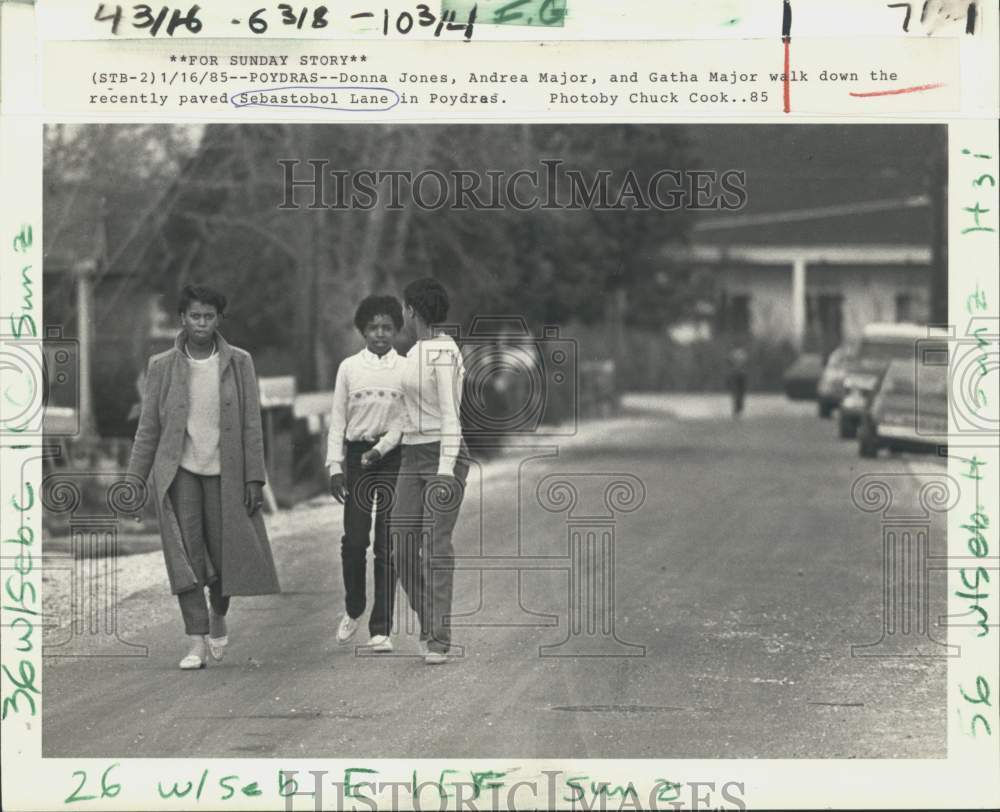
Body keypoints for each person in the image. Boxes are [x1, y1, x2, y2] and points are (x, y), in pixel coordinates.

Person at [127, 284, 280, 670]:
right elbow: (148, 429)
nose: (201, 323)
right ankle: (195, 640)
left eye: (208, 317)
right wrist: (134, 480)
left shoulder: (239, 362)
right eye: (194, 316)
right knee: (187, 554)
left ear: (218, 320)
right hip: (180, 473)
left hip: (225, 471)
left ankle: (218, 612)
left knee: (227, 553)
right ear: (182, 318)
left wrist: (254, 478)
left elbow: (251, 424)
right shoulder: (161, 365)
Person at [361, 277, 470, 665]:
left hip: (444, 456)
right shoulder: (412, 357)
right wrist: (381, 448)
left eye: (405, 309)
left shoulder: (445, 351)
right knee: (401, 545)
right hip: (410, 456)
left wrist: (444, 470)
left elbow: (450, 416)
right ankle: (428, 624)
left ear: (411, 311)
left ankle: (439, 638)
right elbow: (405, 417)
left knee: (435, 548)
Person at [326, 295, 406, 652]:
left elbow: (406, 421)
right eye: (373, 327)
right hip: (358, 457)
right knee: (355, 540)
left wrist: (383, 448)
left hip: (391, 459)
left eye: (387, 327)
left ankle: (381, 627)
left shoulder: (406, 368)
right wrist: (334, 465)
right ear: (362, 330)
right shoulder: (348, 368)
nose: (379, 334)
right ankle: (354, 605)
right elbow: (338, 419)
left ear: (397, 330)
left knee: (387, 545)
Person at [725, 346, 749, 418]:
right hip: (738, 374)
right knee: (738, 393)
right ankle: (738, 410)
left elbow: (729, 363)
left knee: (738, 393)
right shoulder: (742, 354)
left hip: (737, 374)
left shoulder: (734, 354)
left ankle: (738, 410)